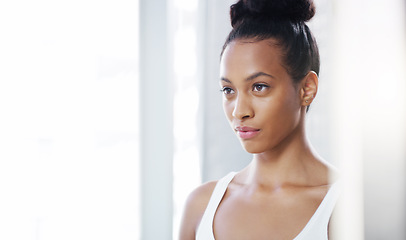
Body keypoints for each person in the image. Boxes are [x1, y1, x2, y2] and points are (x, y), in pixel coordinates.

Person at [179, 0, 339, 239]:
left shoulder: (343, 209)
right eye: (228, 90)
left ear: (307, 89)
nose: (239, 111)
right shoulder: (201, 206)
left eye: (259, 87)